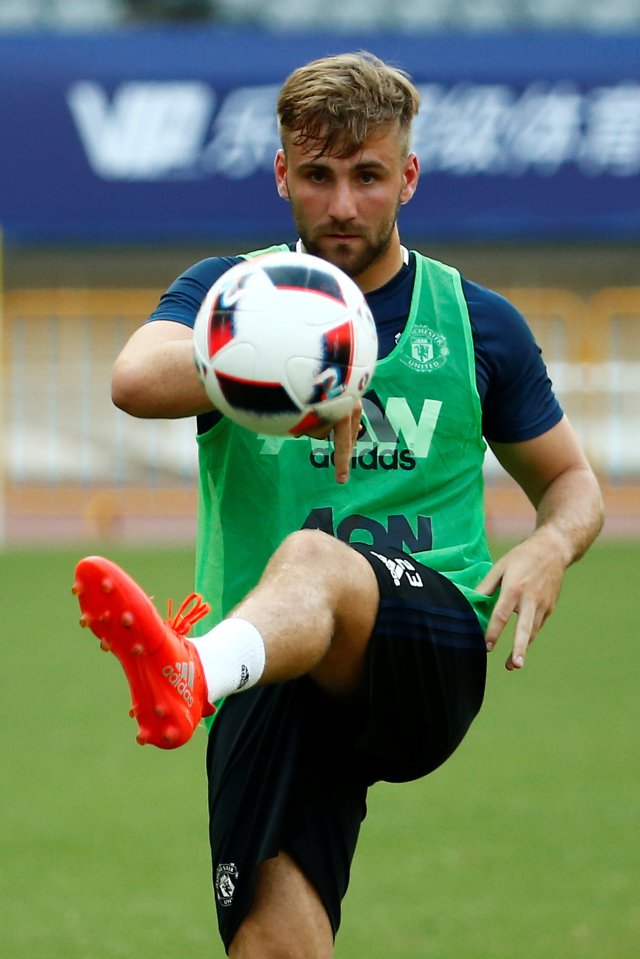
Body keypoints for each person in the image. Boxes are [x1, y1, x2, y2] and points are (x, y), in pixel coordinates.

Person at [73, 51, 604, 959]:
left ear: (408, 175)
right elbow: (133, 378)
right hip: (266, 665)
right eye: (317, 176)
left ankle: (188, 671)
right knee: (275, 947)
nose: (344, 204)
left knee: (314, 558)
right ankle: (206, 670)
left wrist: (552, 545)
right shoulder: (230, 296)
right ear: (282, 172)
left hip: (423, 644)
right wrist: (270, 369)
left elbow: (574, 484)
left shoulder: (476, 322)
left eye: (367, 175)